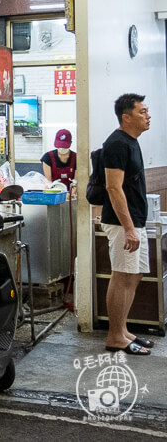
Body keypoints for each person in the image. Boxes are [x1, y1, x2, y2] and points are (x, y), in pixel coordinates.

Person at [102, 94, 153, 356]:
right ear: (127, 116)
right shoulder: (117, 144)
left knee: (134, 275)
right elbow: (113, 187)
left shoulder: (131, 142)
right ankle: (115, 337)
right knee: (122, 276)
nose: (148, 116)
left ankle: (123, 330)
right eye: (143, 111)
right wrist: (129, 228)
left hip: (135, 221)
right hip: (122, 223)